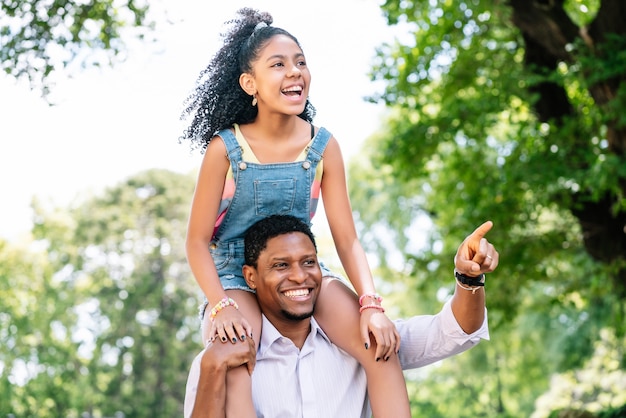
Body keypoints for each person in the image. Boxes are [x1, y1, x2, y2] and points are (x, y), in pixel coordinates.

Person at [180, 8, 410, 417]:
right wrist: (220, 305)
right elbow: (196, 242)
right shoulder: (225, 149)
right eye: (279, 64)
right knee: (237, 352)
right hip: (234, 273)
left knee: (377, 342)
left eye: (301, 62)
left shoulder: (322, 147)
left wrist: (371, 305)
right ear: (250, 84)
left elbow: (347, 238)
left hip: (299, 267)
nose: (295, 72)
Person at [184, 214, 498, 417]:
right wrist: (213, 365)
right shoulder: (223, 357)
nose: (299, 277)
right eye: (281, 266)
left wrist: (468, 279)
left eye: (308, 262)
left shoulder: (365, 341)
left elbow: (455, 332)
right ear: (250, 277)